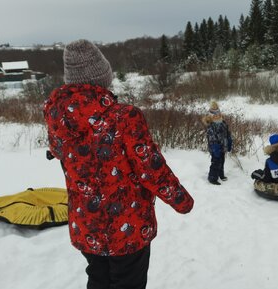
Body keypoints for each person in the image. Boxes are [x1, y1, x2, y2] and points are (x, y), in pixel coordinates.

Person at [43, 39, 194, 289]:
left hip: (86, 225)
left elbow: (59, 153)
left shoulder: (57, 117)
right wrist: (182, 201)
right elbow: (151, 169)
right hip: (127, 229)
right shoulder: (124, 117)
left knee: (99, 279)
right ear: (102, 78)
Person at [201, 101, 233, 185]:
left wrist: (229, 141)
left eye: (218, 114)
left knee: (222, 161)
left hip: (223, 146)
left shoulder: (223, 123)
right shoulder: (211, 126)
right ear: (211, 116)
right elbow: (212, 138)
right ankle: (212, 177)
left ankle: (220, 174)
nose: (217, 116)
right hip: (215, 148)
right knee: (215, 162)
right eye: (214, 115)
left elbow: (227, 133)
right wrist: (215, 148)